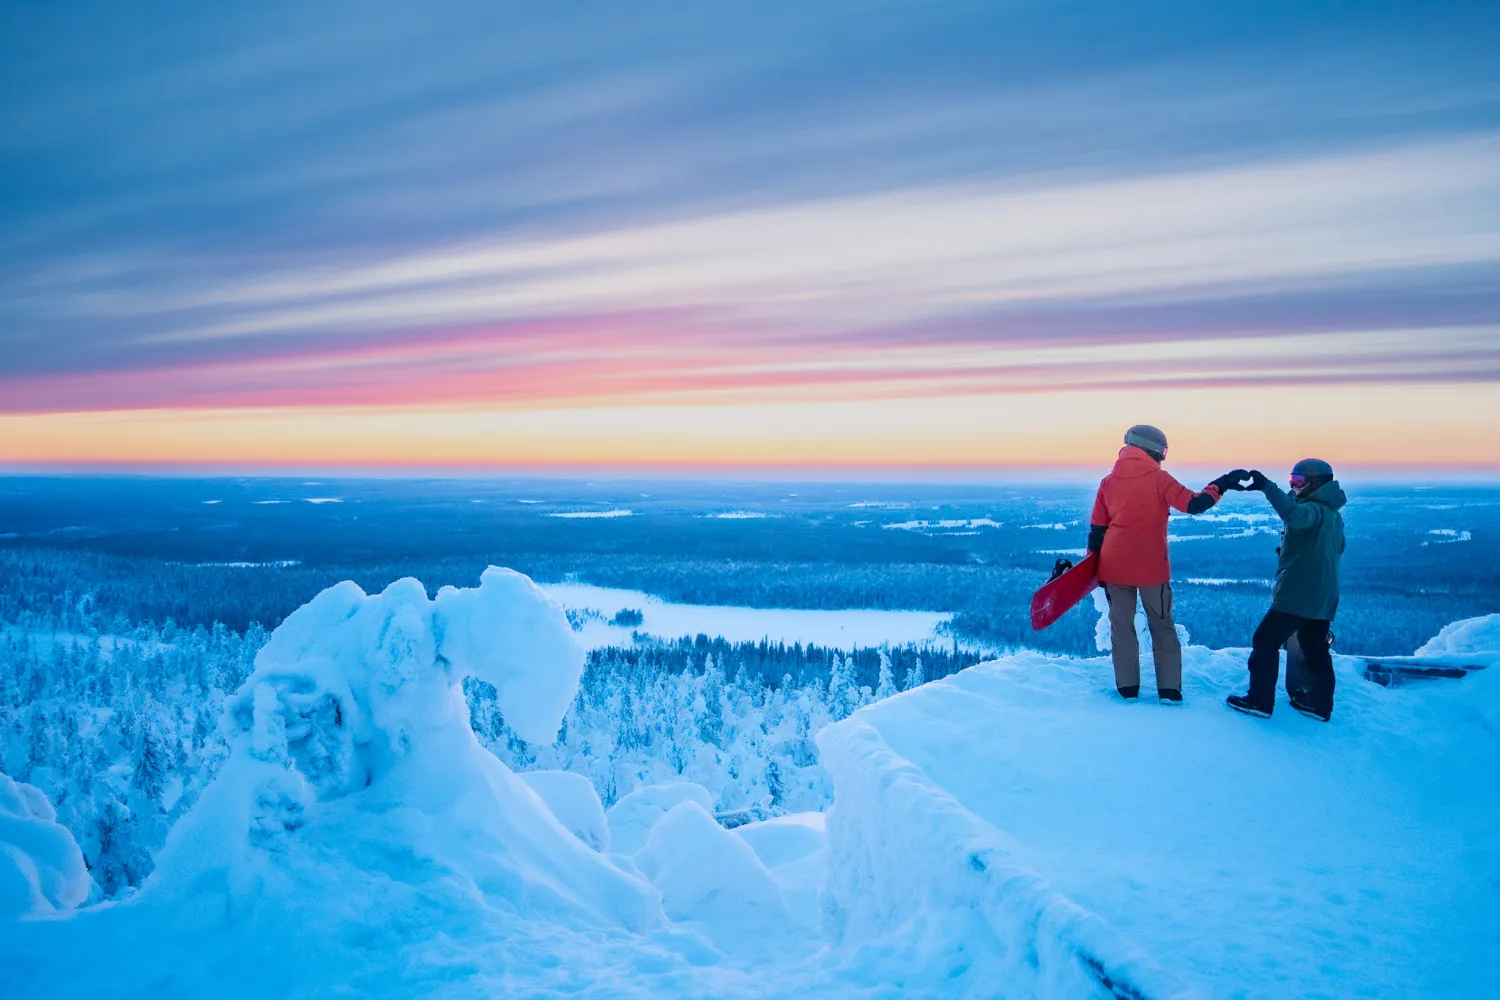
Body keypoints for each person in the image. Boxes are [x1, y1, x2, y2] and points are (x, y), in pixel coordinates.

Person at [1088, 424, 1247, 704]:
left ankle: (1127, 690)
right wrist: (1221, 483)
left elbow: (1097, 529)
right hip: (1152, 569)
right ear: (1151, 449)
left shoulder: (1108, 482)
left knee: (1121, 627)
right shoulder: (1160, 480)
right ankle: (1169, 691)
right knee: (1162, 625)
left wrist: (1092, 567)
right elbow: (1195, 504)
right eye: (1162, 450)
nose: (1163, 456)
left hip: (1113, 567)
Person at [1226, 459, 1347, 722]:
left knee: (1265, 640)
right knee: (1315, 648)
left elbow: (1292, 514)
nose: (1294, 487)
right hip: (1323, 594)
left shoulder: (1312, 510)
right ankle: (1318, 704)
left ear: (1317, 484)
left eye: (1299, 482)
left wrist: (1267, 487)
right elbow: (1338, 548)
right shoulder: (1334, 516)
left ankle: (1259, 700)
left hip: (1298, 592)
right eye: (1292, 481)